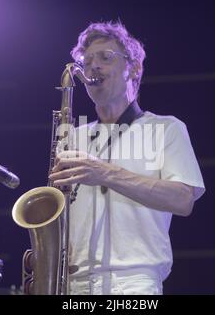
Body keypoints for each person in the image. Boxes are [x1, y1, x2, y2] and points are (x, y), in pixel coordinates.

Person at [48, 21, 205, 295]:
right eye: (86, 62)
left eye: (105, 58)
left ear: (134, 68)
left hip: (133, 284)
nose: (93, 66)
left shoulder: (166, 128)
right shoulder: (72, 136)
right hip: (73, 284)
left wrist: (105, 173)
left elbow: (183, 199)